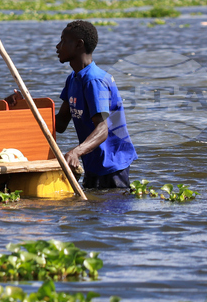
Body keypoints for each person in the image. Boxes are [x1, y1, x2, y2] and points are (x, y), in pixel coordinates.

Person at [8, 20, 138, 189]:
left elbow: (102, 129)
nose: (57, 46)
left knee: (108, 210)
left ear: (78, 45)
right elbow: (60, 124)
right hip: (93, 162)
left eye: (63, 41)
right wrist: (25, 107)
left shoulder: (94, 81)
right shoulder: (73, 79)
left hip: (111, 164)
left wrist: (75, 152)